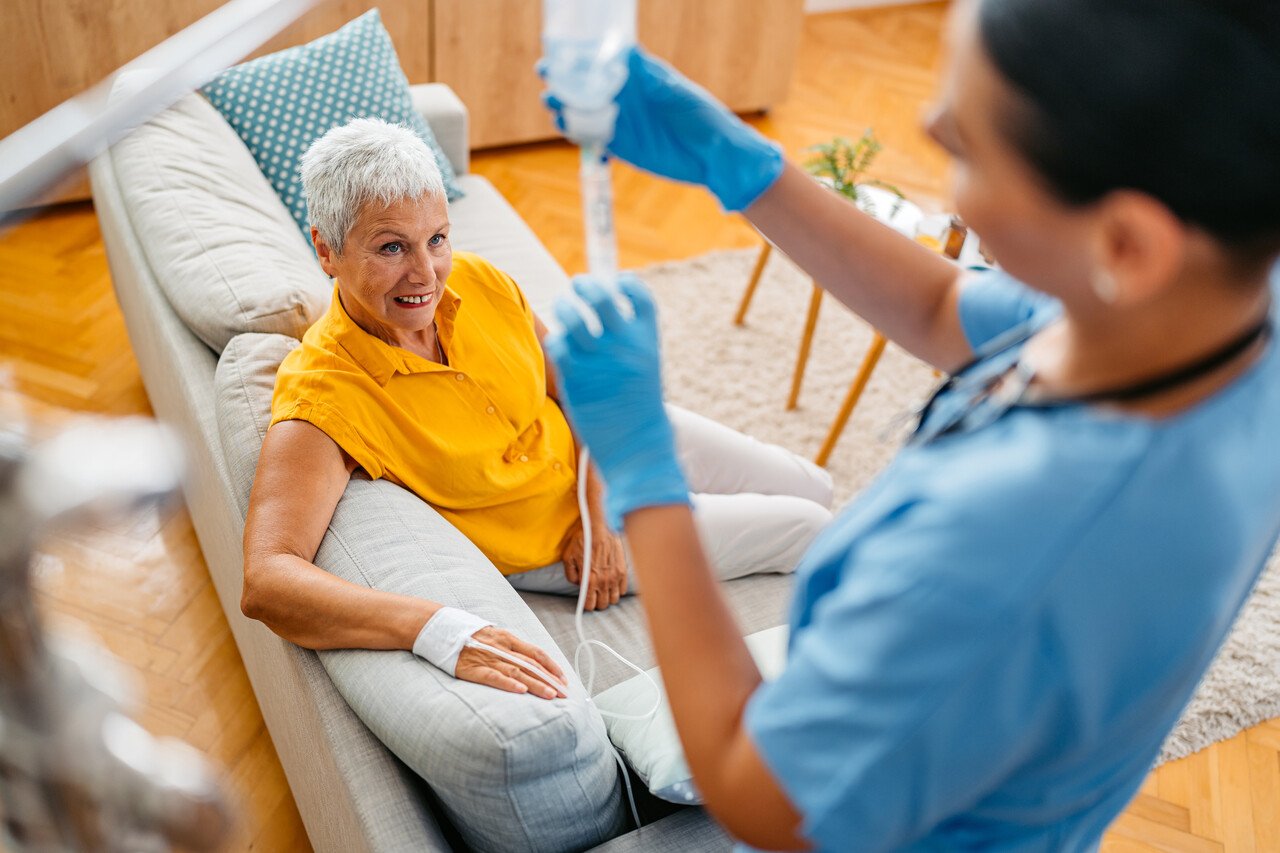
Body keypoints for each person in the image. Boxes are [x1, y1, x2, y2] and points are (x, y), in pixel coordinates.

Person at [541, 0, 1280, 849]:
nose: (928, 126)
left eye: (966, 143)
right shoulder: (1211, 290)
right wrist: (740, 164)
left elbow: (760, 792)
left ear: (1126, 243)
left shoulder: (1003, 549)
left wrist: (642, 467)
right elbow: (943, 304)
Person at [240, 118, 834, 701]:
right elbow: (268, 580)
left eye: (437, 239)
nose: (426, 274)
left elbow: (580, 390)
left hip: (602, 455)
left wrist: (598, 510)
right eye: (392, 247)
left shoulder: (480, 281)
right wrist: (439, 629)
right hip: (552, 542)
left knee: (811, 484)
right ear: (326, 249)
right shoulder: (323, 396)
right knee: (811, 529)